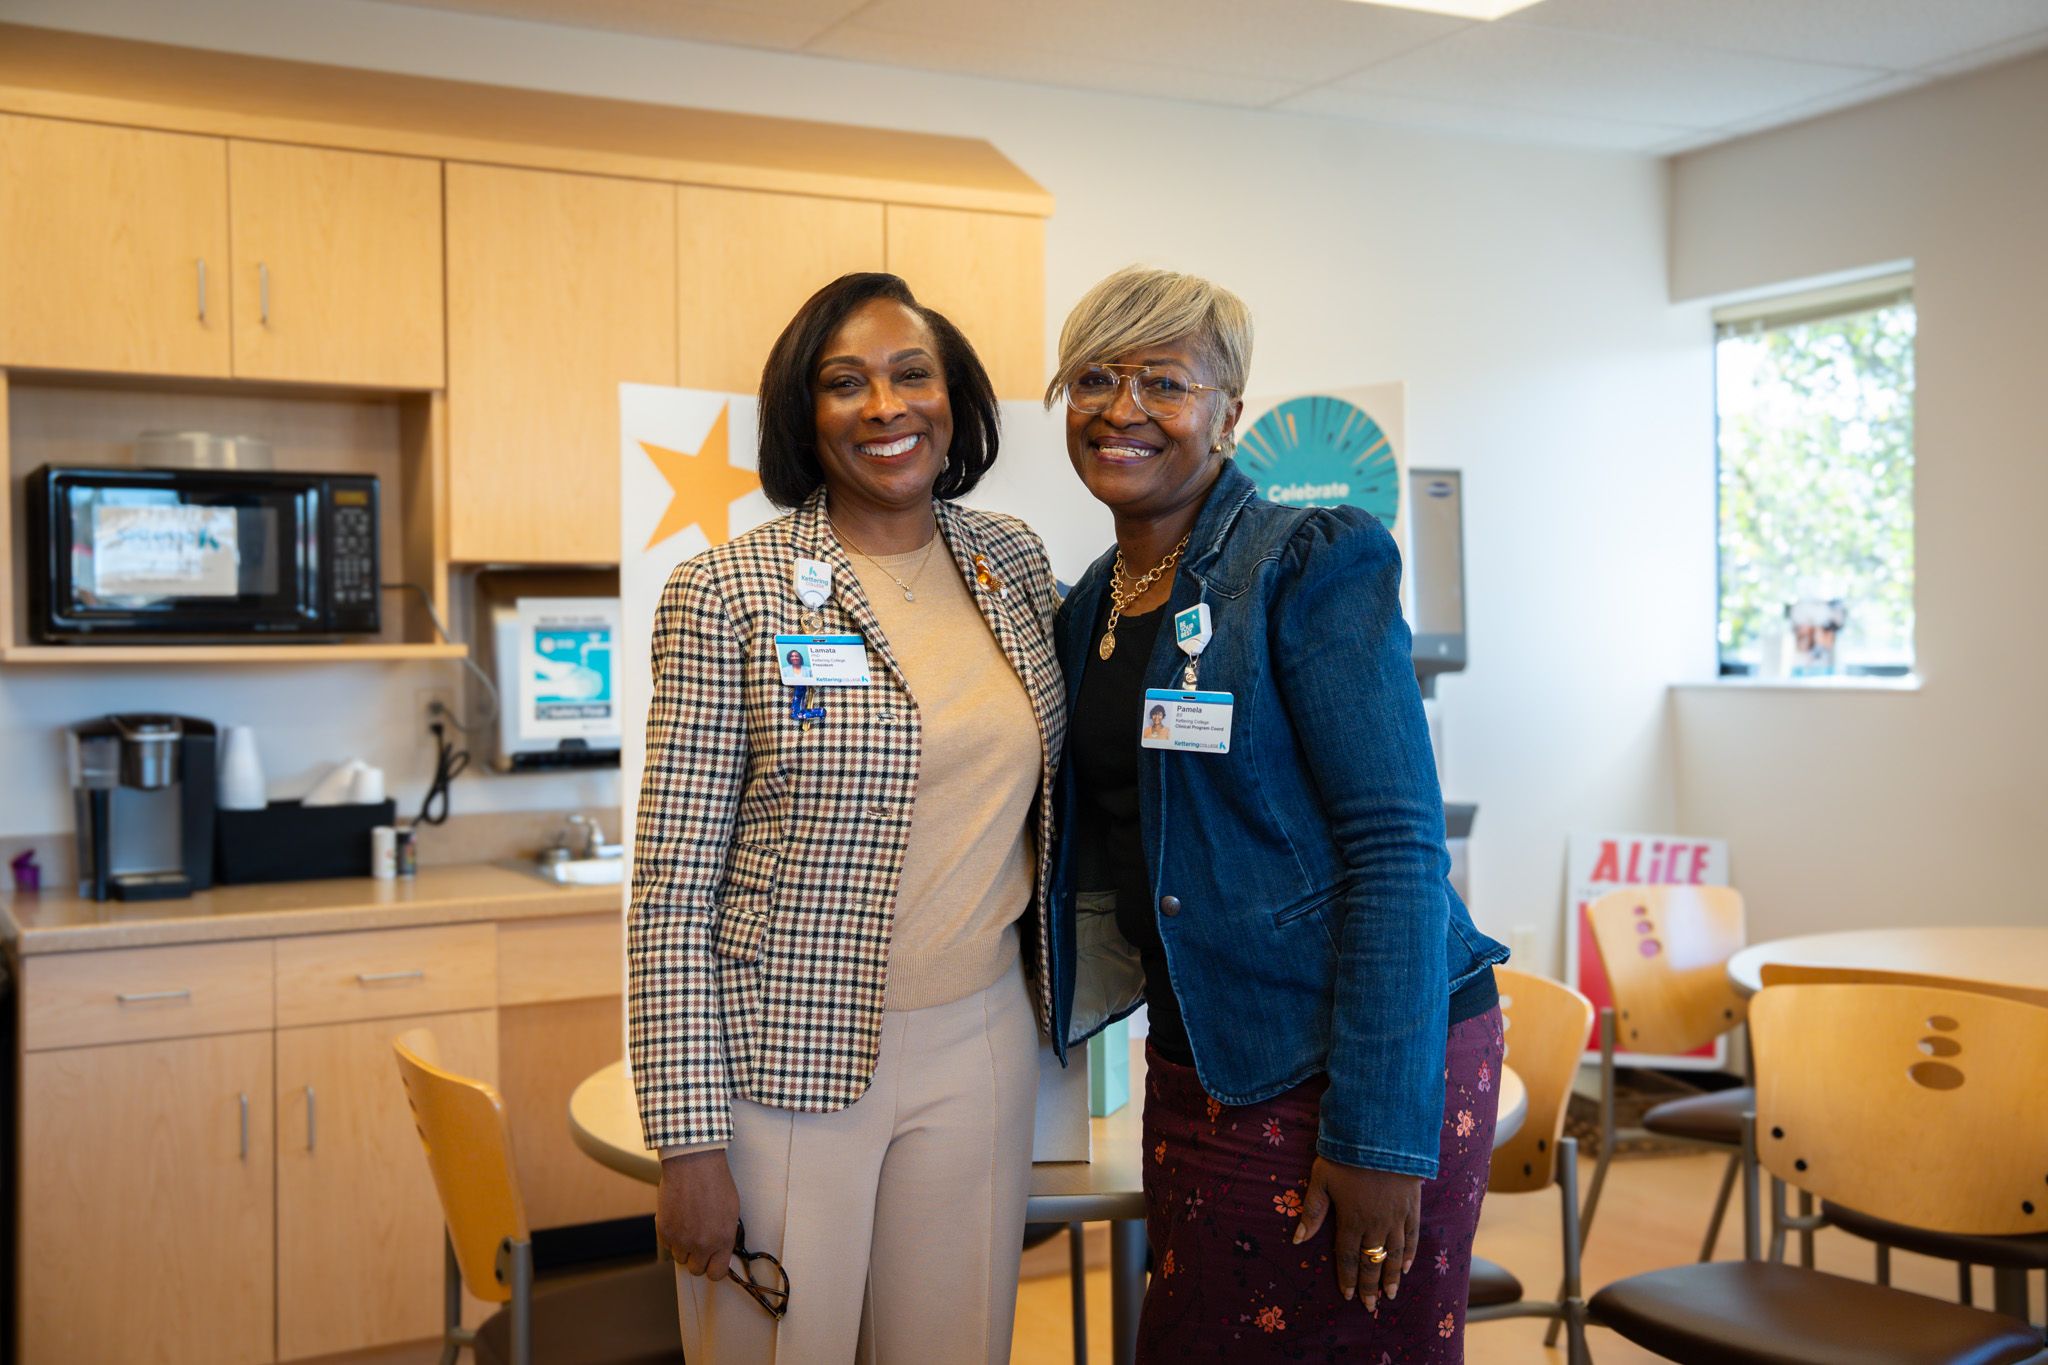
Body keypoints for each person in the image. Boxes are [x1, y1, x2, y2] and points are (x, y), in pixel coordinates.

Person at [1044, 266, 1510, 1360]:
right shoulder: (1090, 603)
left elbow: (1397, 849)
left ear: (1228, 414)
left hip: (1355, 1056)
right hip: (1203, 1050)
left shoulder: (1307, 561)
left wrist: (1378, 1134)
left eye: (1164, 382)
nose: (1121, 408)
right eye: (1094, 378)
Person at [630, 272, 1066, 1362]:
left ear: (954, 398)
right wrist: (687, 1143)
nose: (885, 407)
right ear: (804, 413)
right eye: (844, 383)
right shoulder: (728, 592)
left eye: (912, 374)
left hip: (982, 1040)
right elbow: (671, 890)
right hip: (781, 1059)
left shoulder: (1010, 562)